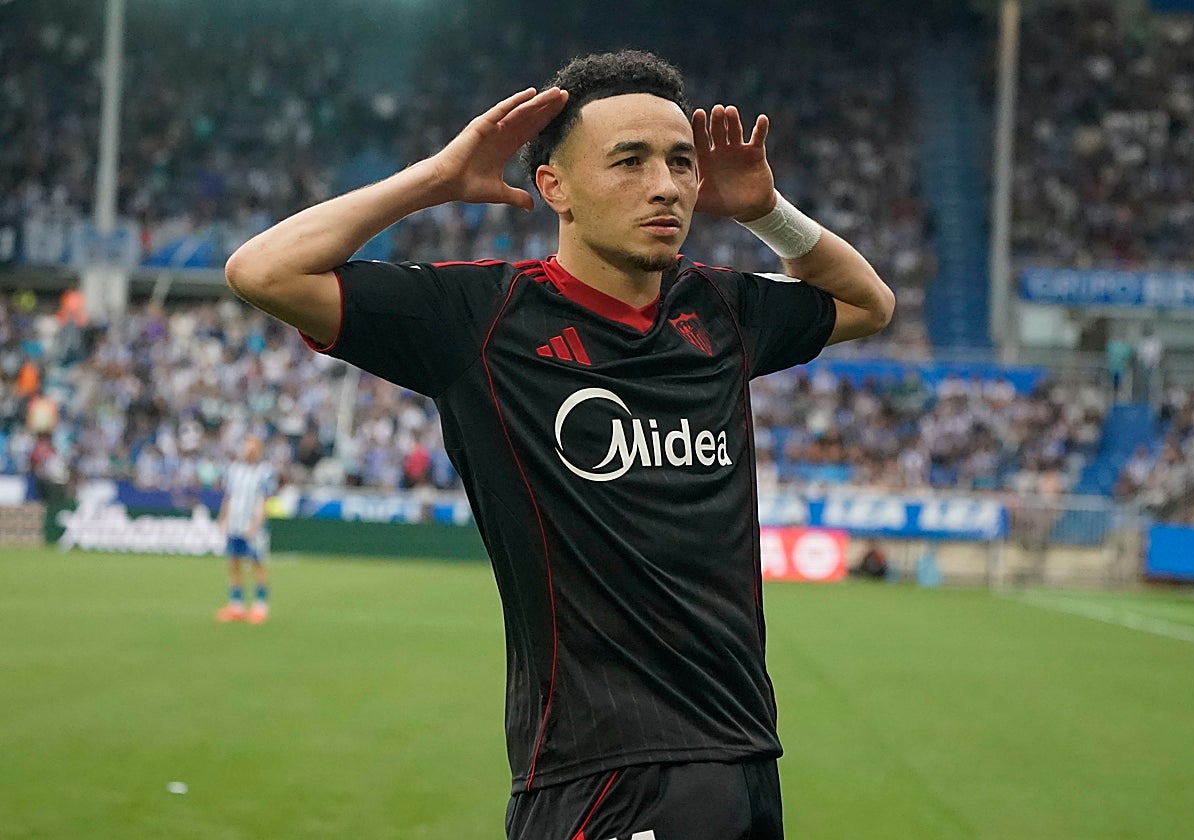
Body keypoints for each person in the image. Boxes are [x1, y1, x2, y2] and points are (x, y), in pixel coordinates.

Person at [225, 50, 893, 839]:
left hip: (745, 763)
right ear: (554, 188)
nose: (666, 186)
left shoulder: (721, 310)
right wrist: (437, 178)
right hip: (601, 773)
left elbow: (868, 303)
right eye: (630, 161)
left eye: (681, 163)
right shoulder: (479, 317)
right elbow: (261, 270)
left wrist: (765, 211)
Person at [215, 435, 275, 624]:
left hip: (253, 526)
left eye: (252, 448)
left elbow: (265, 501)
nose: (248, 451)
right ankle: (236, 606)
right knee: (233, 563)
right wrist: (223, 518)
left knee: (257, 564)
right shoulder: (234, 470)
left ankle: (260, 606)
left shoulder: (265, 472)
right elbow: (230, 496)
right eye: (246, 447)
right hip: (235, 523)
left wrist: (256, 525)